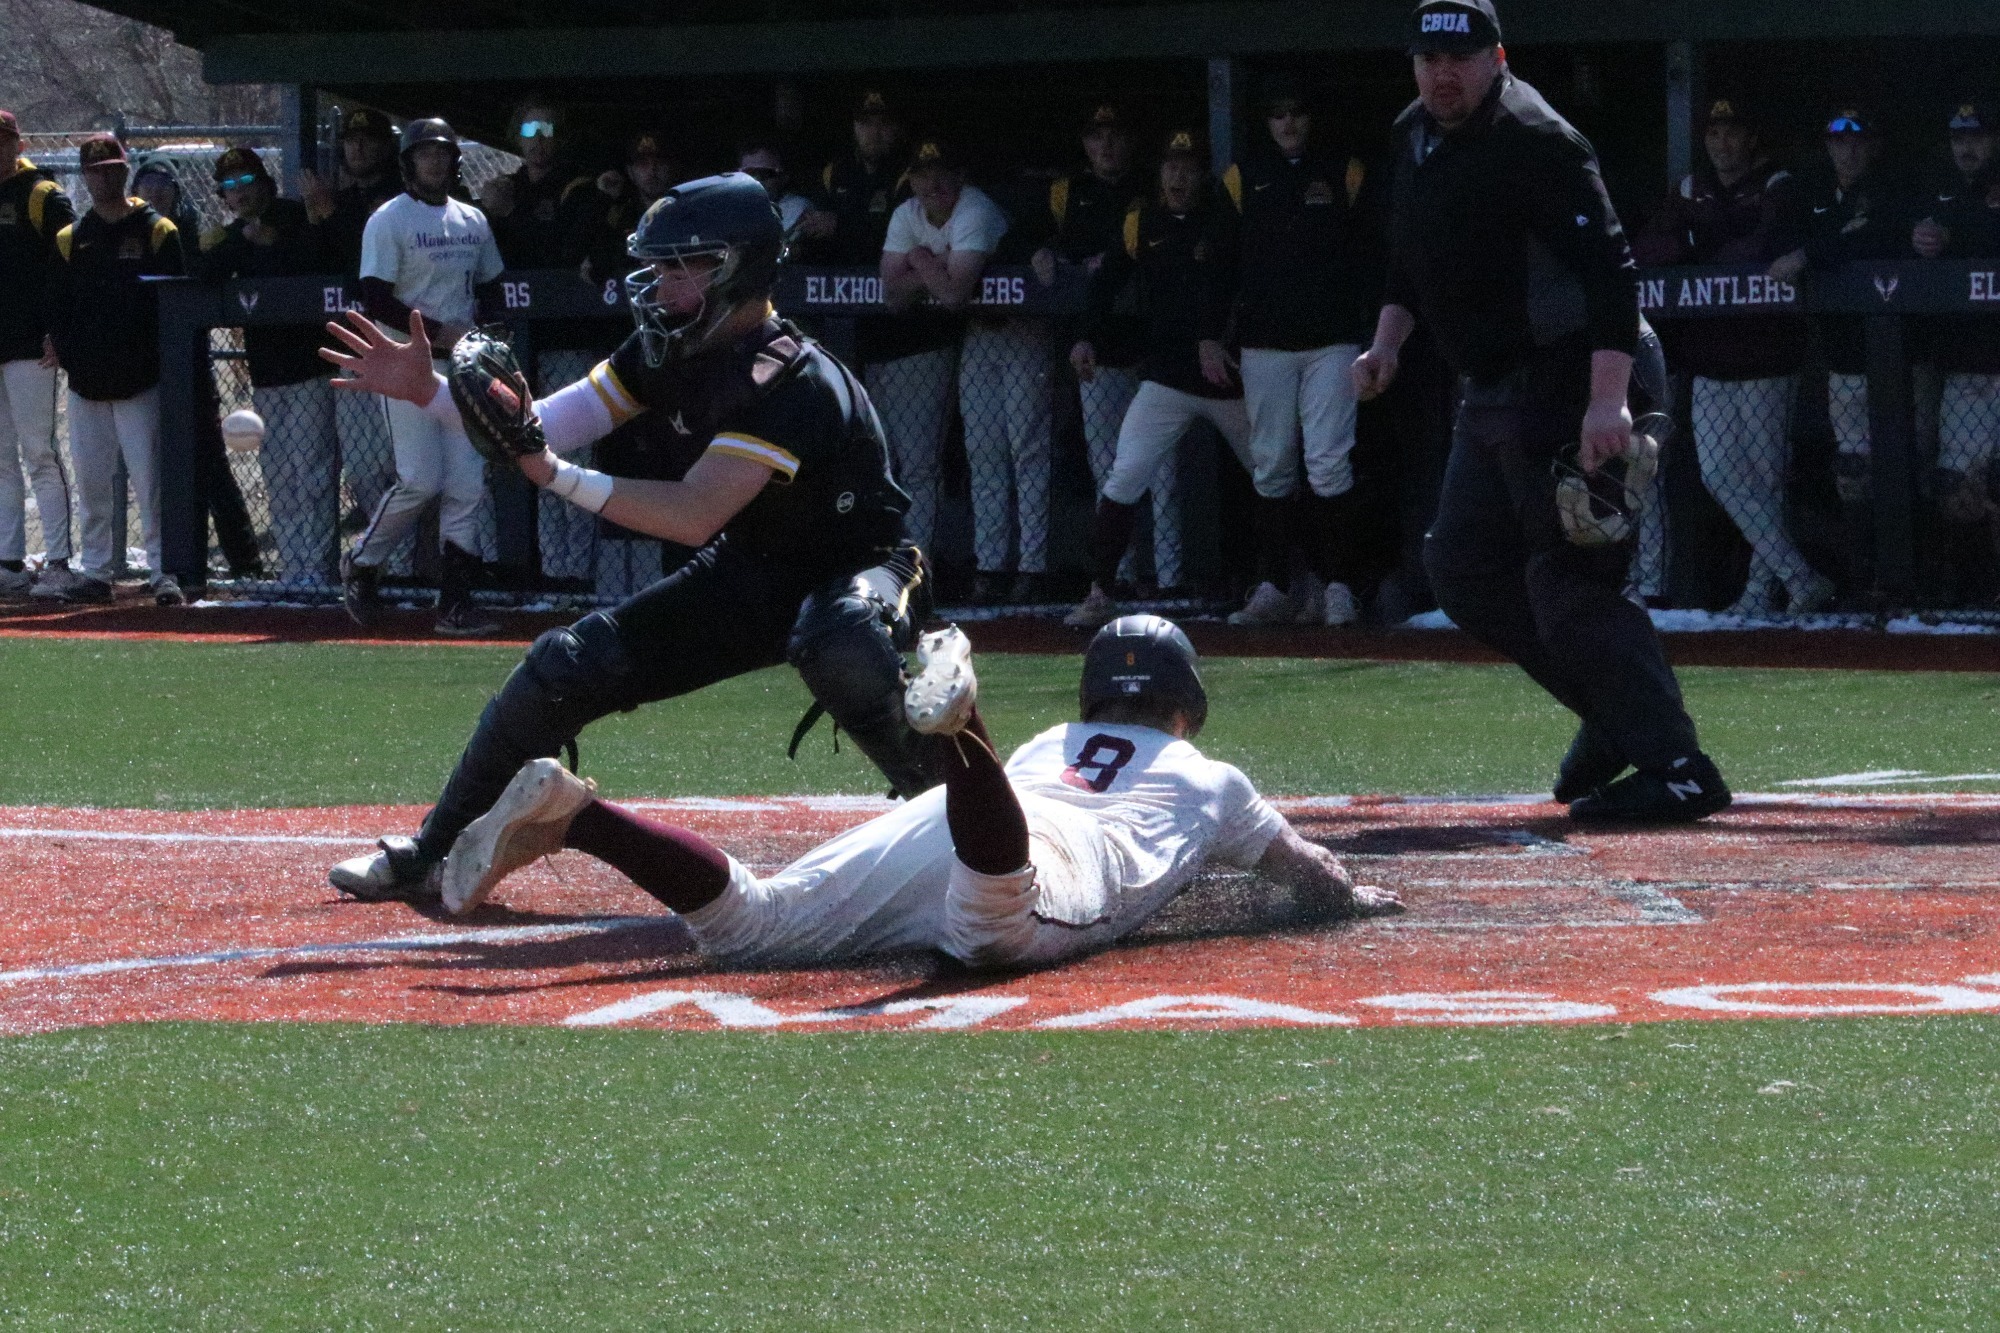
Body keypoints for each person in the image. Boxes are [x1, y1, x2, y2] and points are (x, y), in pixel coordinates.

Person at [321, 172, 944, 901]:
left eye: (682, 266)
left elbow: (690, 512)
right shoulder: (666, 346)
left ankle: (958, 818)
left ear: (738, 266)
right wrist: (429, 389)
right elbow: (541, 425)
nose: (660, 282)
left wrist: (553, 474)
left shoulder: (789, 379)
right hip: (753, 567)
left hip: (864, 566)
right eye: (659, 264)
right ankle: (432, 852)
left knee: (836, 636)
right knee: (565, 662)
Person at [439, 618, 1403, 969]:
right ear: (1190, 702)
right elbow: (1305, 871)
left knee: (753, 924)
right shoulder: (1212, 777)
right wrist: (1352, 895)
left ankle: (580, 812)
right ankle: (958, 723)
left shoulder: (1060, 735)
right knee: (992, 936)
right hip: (1027, 851)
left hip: (957, 812)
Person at [1351, 0, 1730, 822]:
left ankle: (1681, 767)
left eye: (1461, 57)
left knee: (1571, 582)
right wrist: (1387, 346)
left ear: (1498, 57)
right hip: (1492, 389)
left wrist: (1608, 404)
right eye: (1428, 58)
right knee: (1464, 567)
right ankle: (1616, 717)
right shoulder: (1412, 134)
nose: (1442, 73)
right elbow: (1409, 259)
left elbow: (1613, 277)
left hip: (1575, 376)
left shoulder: (1538, 138)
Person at [1633, 98, 1830, 617]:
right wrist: (1696, 243)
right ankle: (1798, 576)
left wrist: (1703, 247)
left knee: (1766, 479)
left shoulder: (1777, 185)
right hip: (1711, 357)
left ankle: (1763, 590)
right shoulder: (1690, 188)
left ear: (1752, 140)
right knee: (1719, 474)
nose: (1722, 143)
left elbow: (1768, 245)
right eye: (1715, 133)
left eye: (1732, 132)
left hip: (1767, 356)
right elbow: (1650, 246)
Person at [1221, 72, 1384, 627]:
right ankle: (1272, 587)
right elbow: (1222, 261)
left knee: (1329, 463)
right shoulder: (1244, 177)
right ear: (1266, 122)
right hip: (1265, 343)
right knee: (1270, 466)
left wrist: (1369, 333)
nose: (1287, 123)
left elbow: (1369, 253)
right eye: (1277, 113)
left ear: (1311, 118)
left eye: (1296, 112)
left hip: (1332, 341)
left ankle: (1339, 587)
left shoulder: (1346, 171)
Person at [1067, 132, 1248, 629]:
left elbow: (1237, 283)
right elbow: (1106, 282)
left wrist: (1214, 336)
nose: (1178, 175)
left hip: (1227, 378)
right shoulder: (1141, 219)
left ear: (1203, 173)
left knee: (1271, 475)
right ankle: (1100, 591)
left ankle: (1293, 583)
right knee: (1125, 474)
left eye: (1188, 166)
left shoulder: (1224, 217)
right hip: (1167, 378)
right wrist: (1086, 337)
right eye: (1171, 165)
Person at [342, 117, 507, 636]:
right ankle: (363, 564)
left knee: (466, 485)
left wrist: (485, 342)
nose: (434, 161)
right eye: (424, 154)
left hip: (463, 367)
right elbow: (375, 297)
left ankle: (455, 604)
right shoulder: (388, 219)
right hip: (408, 363)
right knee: (419, 480)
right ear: (408, 162)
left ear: (455, 161)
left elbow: (493, 286)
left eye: (442, 153)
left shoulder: (473, 220)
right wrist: (438, 333)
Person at [1769, 107, 1911, 588]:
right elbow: (1780, 243)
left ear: (1873, 145)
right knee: (1852, 472)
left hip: (1905, 365)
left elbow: (1879, 234)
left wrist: (1813, 252)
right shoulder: (1813, 194)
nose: (1847, 149)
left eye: (1857, 140)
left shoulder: (1891, 190)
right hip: (1843, 360)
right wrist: (1824, 242)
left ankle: (1922, 581)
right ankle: (1862, 580)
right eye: (1837, 141)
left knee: (1919, 469)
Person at [44, 134, 186, 606]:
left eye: (111, 168)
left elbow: (173, 309)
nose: (103, 176)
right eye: (95, 169)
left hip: (140, 380)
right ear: (84, 177)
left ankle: (164, 569)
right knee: (92, 483)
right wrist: (63, 351)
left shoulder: (157, 230)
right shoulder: (71, 238)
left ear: (126, 171)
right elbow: (59, 309)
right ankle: (98, 570)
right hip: (87, 384)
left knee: (151, 481)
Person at [197, 146, 340, 587]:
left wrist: (272, 244)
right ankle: (294, 570)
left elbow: (318, 263)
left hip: (312, 366)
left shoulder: (294, 218)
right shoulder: (234, 236)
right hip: (267, 372)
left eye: (245, 183)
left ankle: (319, 569)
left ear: (264, 183)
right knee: (280, 473)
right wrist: (238, 239)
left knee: (313, 470)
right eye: (229, 187)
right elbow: (205, 271)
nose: (238, 194)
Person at [480, 100, 604, 588]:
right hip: (515, 350)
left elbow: (566, 253)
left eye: (547, 127)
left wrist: (513, 217)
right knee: (522, 457)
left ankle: (580, 573)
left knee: (573, 459)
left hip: (569, 347)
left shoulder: (579, 188)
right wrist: (499, 215)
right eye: (529, 128)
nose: (538, 137)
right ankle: (549, 571)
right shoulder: (504, 190)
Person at [131, 150, 264, 584]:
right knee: (159, 468)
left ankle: (243, 562)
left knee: (207, 464)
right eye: (146, 183)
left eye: (163, 184)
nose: (155, 191)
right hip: (136, 368)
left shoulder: (190, 235)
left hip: (188, 368)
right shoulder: (122, 235)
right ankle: (176, 563)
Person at [1035, 105, 1154, 587]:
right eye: (1096, 135)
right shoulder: (1069, 193)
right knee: (1109, 464)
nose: (1106, 145)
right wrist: (1037, 250)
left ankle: (1166, 574)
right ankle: (1119, 574)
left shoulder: (1148, 190)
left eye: (1115, 134)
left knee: (1158, 470)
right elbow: (1017, 232)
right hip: (1096, 350)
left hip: (1149, 348)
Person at [879, 140, 1004, 581]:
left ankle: (1011, 570)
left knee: (1020, 454)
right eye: (923, 173)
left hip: (1017, 330)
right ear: (910, 179)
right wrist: (931, 262)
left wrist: (915, 260)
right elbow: (891, 296)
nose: (933, 183)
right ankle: (906, 566)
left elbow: (952, 297)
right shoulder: (906, 213)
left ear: (959, 174)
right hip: (977, 336)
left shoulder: (974, 208)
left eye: (943, 171)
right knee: (980, 454)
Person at [1910, 102, 2000, 600]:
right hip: (1965, 362)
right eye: (1958, 137)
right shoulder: (1935, 187)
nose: (1967, 147)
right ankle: (1974, 591)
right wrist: (1921, 237)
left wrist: (1956, 235)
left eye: (1978, 136)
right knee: (1956, 487)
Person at [305, 108, 403, 558]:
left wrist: (330, 218)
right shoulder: (336, 203)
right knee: (365, 469)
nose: (359, 147)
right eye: (351, 139)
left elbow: (372, 259)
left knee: (407, 469)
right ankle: (385, 560)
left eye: (368, 138)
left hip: (401, 343)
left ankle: (411, 568)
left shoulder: (402, 198)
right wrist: (324, 218)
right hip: (353, 348)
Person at [0, 109, 80, 602]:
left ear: (17, 142)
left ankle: (58, 562)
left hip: (32, 345)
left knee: (40, 453)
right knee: (0, 459)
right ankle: (8, 562)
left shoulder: (42, 195)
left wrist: (59, 328)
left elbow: (69, 264)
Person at [737, 138, 814, 242]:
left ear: (783, 176)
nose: (756, 181)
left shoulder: (798, 209)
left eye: (765, 174)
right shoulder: (730, 211)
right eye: (749, 174)